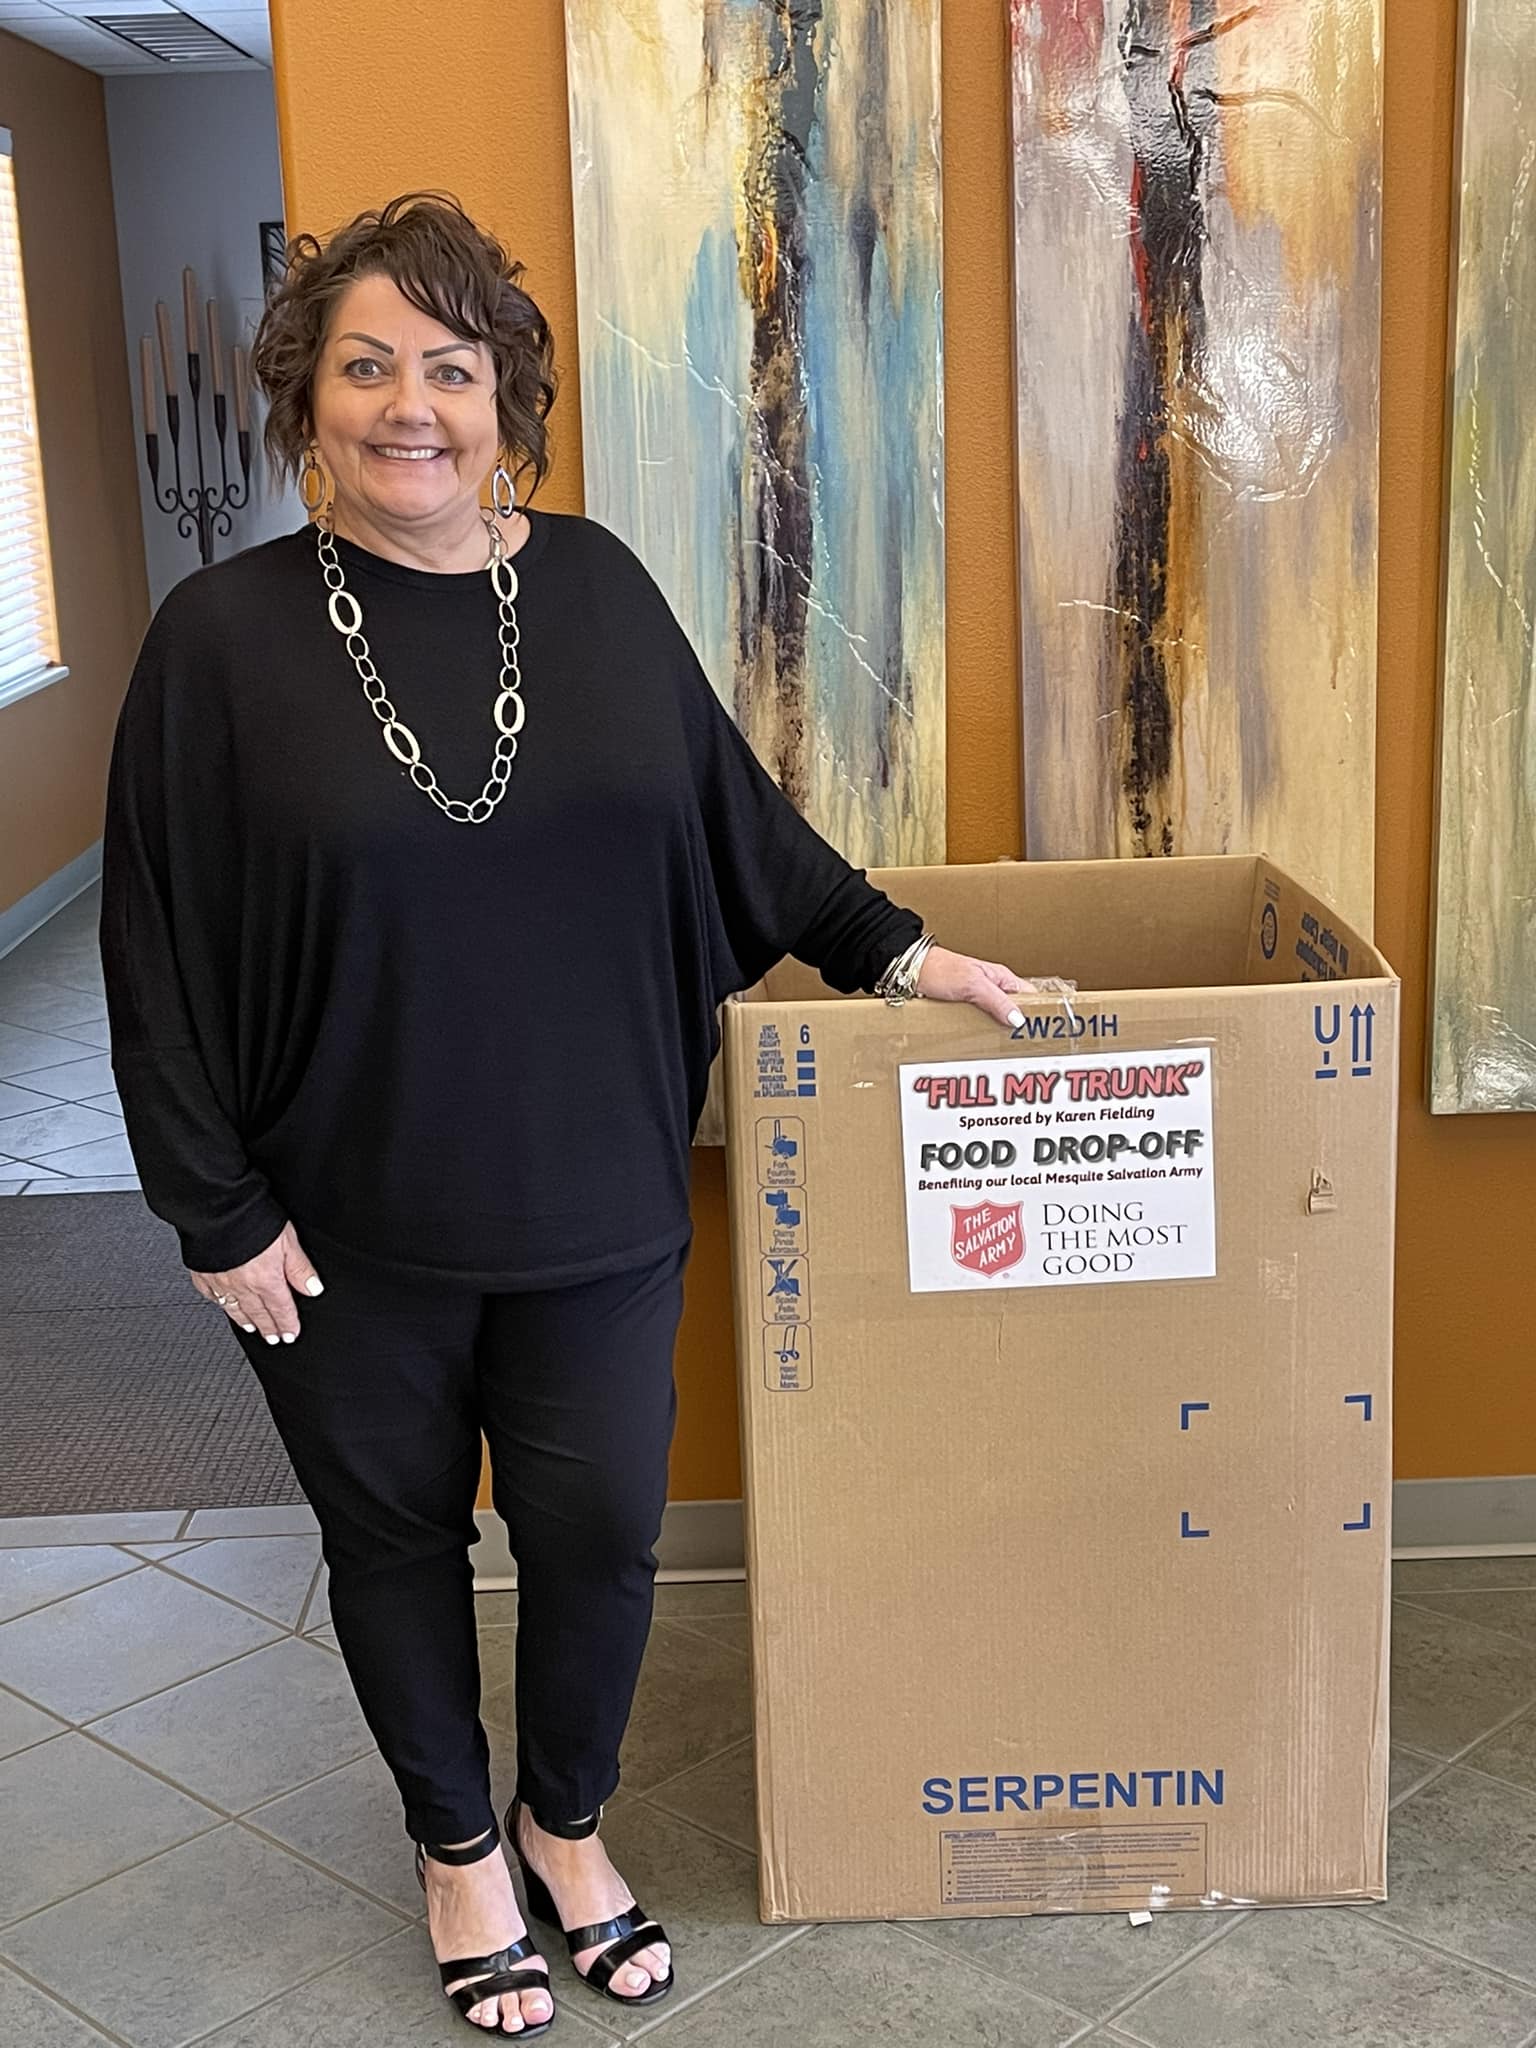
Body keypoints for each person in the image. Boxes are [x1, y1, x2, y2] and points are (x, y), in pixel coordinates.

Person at [100, 193, 1045, 2038]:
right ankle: (458, 1851)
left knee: (602, 1534)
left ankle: (565, 1821)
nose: (411, 407)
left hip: (598, 1199)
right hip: (339, 1226)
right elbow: (154, 943)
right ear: (309, 400)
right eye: (366, 366)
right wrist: (213, 1211)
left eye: (450, 369)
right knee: (393, 1545)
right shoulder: (220, 641)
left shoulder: (594, 588)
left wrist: (904, 955)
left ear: (504, 398)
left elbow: (736, 822)